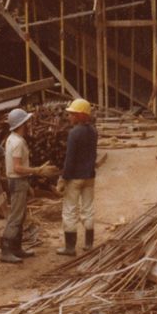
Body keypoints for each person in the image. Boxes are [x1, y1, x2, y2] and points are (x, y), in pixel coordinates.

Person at [0, 107, 43, 264]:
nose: (28, 124)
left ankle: (16, 248)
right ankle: (6, 250)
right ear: (22, 124)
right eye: (26, 122)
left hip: (17, 181)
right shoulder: (17, 142)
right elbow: (17, 167)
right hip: (17, 180)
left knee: (20, 215)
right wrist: (36, 171)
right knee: (16, 216)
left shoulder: (11, 138)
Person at [56, 98, 98, 255]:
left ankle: (70, 247)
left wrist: (63, 178)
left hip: (74, 178)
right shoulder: (93, 131)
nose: (70, 117)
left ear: (81, 115)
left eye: (72, 114)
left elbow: (70, 158)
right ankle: (88, 244)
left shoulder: (74, 133)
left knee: (69, 211)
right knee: (88, 209)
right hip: (89, 176)